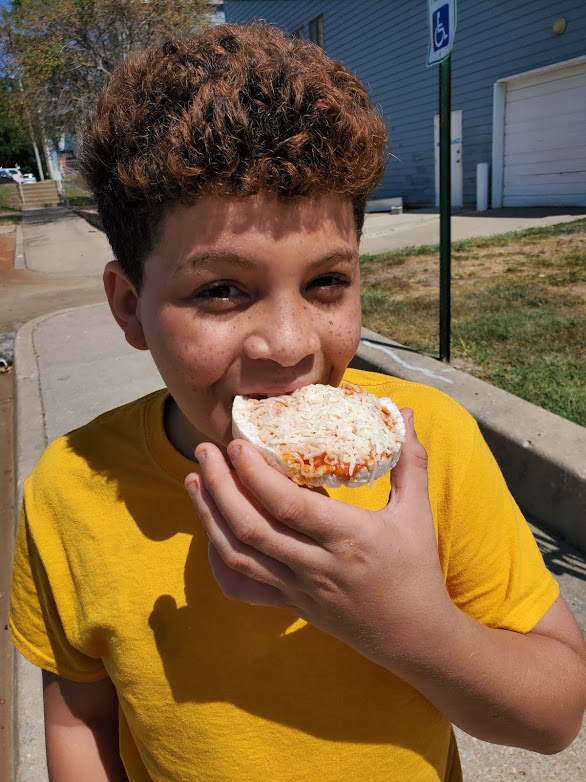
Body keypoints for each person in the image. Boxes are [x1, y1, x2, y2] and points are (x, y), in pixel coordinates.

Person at [9, 22, 586, 782]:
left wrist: (408, 628)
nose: (287, 344)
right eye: (220, 289)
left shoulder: (427, 446)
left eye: (326, 283)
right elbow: (80, 718)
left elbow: (553, 718)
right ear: (128, 308)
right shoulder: (70, 488)